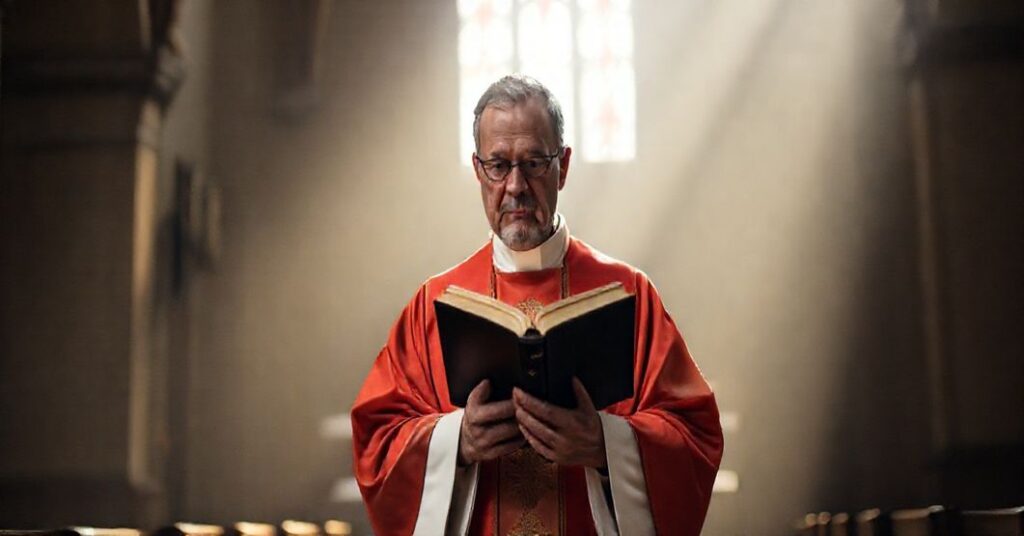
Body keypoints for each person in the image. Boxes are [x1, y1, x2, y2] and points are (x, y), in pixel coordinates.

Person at [351, 74, 723, 536]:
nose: (515, 186)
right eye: (498, 165)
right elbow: (377, 442)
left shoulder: (629, 295)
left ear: (562, 167)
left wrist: (605, 444)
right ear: (477, 169)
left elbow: (694, 438)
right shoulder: (432, 305)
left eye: (533, 162)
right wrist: (457, 441)